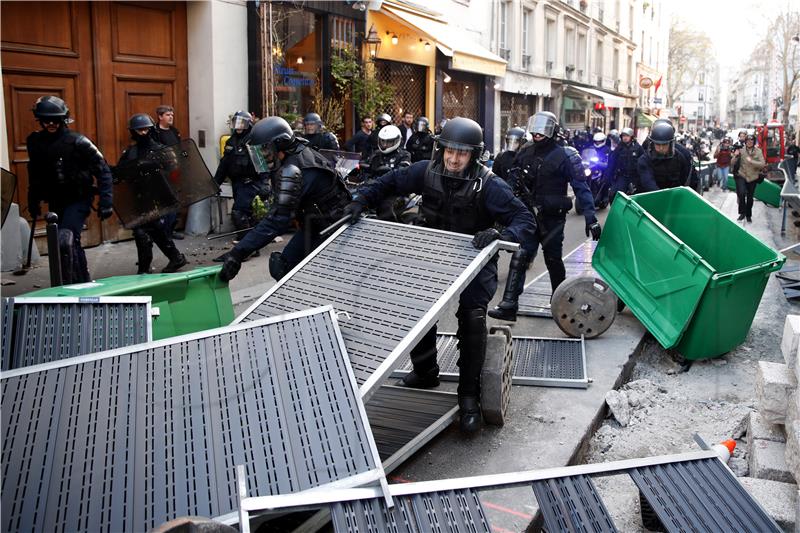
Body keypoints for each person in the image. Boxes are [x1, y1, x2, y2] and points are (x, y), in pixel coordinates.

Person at [343, 117, 536, 433]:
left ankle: (469, 397)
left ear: (474, 155)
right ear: (441, 149)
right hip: (433, 253)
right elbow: (389, 182)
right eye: (450, 151)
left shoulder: (489, 184)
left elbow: (525, 220)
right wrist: (359, 200)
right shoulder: (424, 170)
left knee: (472, 317)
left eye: (463, 153)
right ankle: (425, 370)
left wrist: (498, 232)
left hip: (476, 256)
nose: (455, 158)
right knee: (416, 307)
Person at [489, 111, 601, 322]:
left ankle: (559, 304)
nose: (538, 133)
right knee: (521, 255)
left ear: (553, 129)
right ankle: (509, 305)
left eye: (543, 128)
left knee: (553, 260)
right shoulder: (525, 151)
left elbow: (581, 187)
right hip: (529, 216)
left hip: (552, 219)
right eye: (535, 128)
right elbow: (512, 182)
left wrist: (591, 217)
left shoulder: (567, 155)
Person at [218, 116, 351, 283]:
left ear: (280, 144)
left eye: (265, 150)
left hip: (335, 230)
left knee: (319, 279)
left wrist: (238, 253)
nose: (263, 156)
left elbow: (278, 220)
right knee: (282, 266)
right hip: (315, 225)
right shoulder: (295, 155)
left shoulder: (294, 169)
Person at [26, 96, 114, 284]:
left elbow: (103, 169)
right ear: (40, 120)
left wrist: (106, 201)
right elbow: (34, 173)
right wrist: (32, 200)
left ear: (63, 119)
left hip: (79, 198)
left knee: (68, 240)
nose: (50, 123)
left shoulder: (78, 141)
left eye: (55, 119)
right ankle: (66, 281)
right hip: (56, 199)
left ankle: (82, 281)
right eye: (46, 120)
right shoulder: (35, 142)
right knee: (60, 242)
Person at [118, 113, 187, 274]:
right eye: (139, 130)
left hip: (158, 196)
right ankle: (175, 258)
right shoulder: (131, 152)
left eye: (145, 129)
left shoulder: (161, 149)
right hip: (140, 197)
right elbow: (122, 172)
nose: (143, 133)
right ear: (133, 132)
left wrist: (153, 166)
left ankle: (144, 268)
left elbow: (174, 169)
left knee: (144, 232)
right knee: (153, 230)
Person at [213, 110, 268, 242]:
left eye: (241, 123)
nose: (238, 126)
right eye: (236, 123)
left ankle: (246, 244)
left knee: (239, 212)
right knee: (248, 215)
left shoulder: (254, 140)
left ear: (248, 124)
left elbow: (262, 163)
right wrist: (215, 183)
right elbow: (224, 165)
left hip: (251, 183)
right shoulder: (231, 141)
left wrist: (265, 183)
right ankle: (250, 243)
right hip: (237, 183)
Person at [362, 124, 411, 220]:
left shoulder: (404, 155)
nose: (384, 145)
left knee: (386, 209)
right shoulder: (376, 154)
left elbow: (403, 172)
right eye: (383, 141)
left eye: (388, 142)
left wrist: (390, 172)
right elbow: (367, 166)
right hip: (375, 187)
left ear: (397, 140)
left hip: (394, 191)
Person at [151, 104, 182, 239]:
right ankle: (162, 232)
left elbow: (179, 148)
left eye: (172, 115)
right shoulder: (154, 133)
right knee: (163, 203)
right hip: (161, 173)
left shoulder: (174, 131)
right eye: (168, 115)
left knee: (175, 201)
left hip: (175, 171)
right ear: (160, 116)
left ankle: (170, 230)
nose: (171, 117)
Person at [637, 120, 692, 192]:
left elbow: (683, 180)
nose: (661, 148)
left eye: (664, 144)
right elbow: (648, 183)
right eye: (658, 144)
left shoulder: (679, 158)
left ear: (671, 143)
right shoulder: (644, 160)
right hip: (651, 197)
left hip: (673, 197)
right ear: (652, 143)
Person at [731, 134, 766, 222]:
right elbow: (732, 163)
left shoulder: (758, 151)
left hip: (753, 177)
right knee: (741, 193)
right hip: (741, 175)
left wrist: (752, 161)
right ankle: (742, 213)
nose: (749, 142)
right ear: (745, 142)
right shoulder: (741, 151)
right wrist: (735, 155)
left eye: (751, 141)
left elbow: (762, 164)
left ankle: (748, 215)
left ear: (754, 142)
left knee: (750, 197)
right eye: (747, 141)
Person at [606, 127, 642, 202]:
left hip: (634, 177)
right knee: (613, 194)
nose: (625, 138)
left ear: (631, 137)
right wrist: (609, 176)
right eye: (623, 136)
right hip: (622, 176)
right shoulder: (619, 148)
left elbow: (643, 163)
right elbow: (613, 163)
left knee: (636, 197)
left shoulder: (638, 148)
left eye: (627, 136)